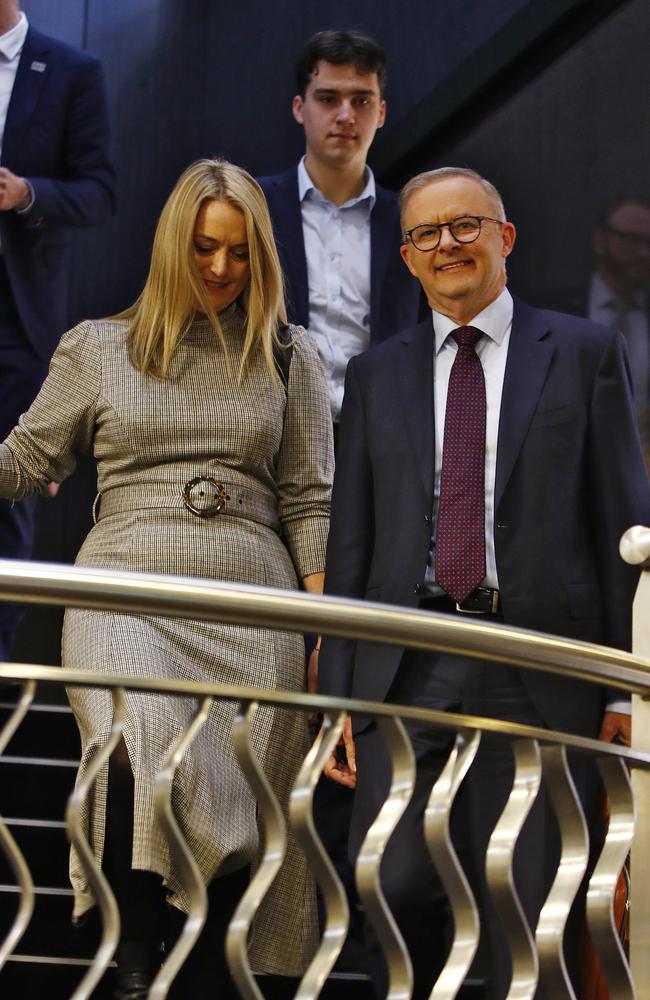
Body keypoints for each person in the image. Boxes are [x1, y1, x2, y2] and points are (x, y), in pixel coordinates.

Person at [0, 158, 333, 999]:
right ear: (168, 248)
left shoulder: (294, 359)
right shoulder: (98, 348)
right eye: (203, 249)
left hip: (254, 604)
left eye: (239, 252)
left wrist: (323, 633)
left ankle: (215, 977)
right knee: (133, 744)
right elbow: (24, 460)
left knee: (246, 783)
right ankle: (134, 973)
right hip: (127, 591)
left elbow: (309, 502)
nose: (221, 269)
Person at [317, 166, 650, 998]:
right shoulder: (375, 373)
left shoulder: (582, 352)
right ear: (407, 257)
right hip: (409, 668)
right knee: (389, 892)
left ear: (504, 238)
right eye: (427, 233)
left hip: (537, 668)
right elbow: (352, 543)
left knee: (530, 912)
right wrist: (345, 697)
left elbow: (624, 527)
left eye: (465, 226)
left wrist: (618, 689)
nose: (447, 245)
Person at [0, 0, 116, 658]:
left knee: (8, 498)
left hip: (18, 320)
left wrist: (28, 195)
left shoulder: (72, 70)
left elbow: (101, 190)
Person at [258, 29, 422, 429]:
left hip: (382, 435)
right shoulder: (252, 208)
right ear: (299, 108)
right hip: (272, 434)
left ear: (381, 113)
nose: (346, 115)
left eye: (361, 100)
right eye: (328, 99)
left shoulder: (414, 219)